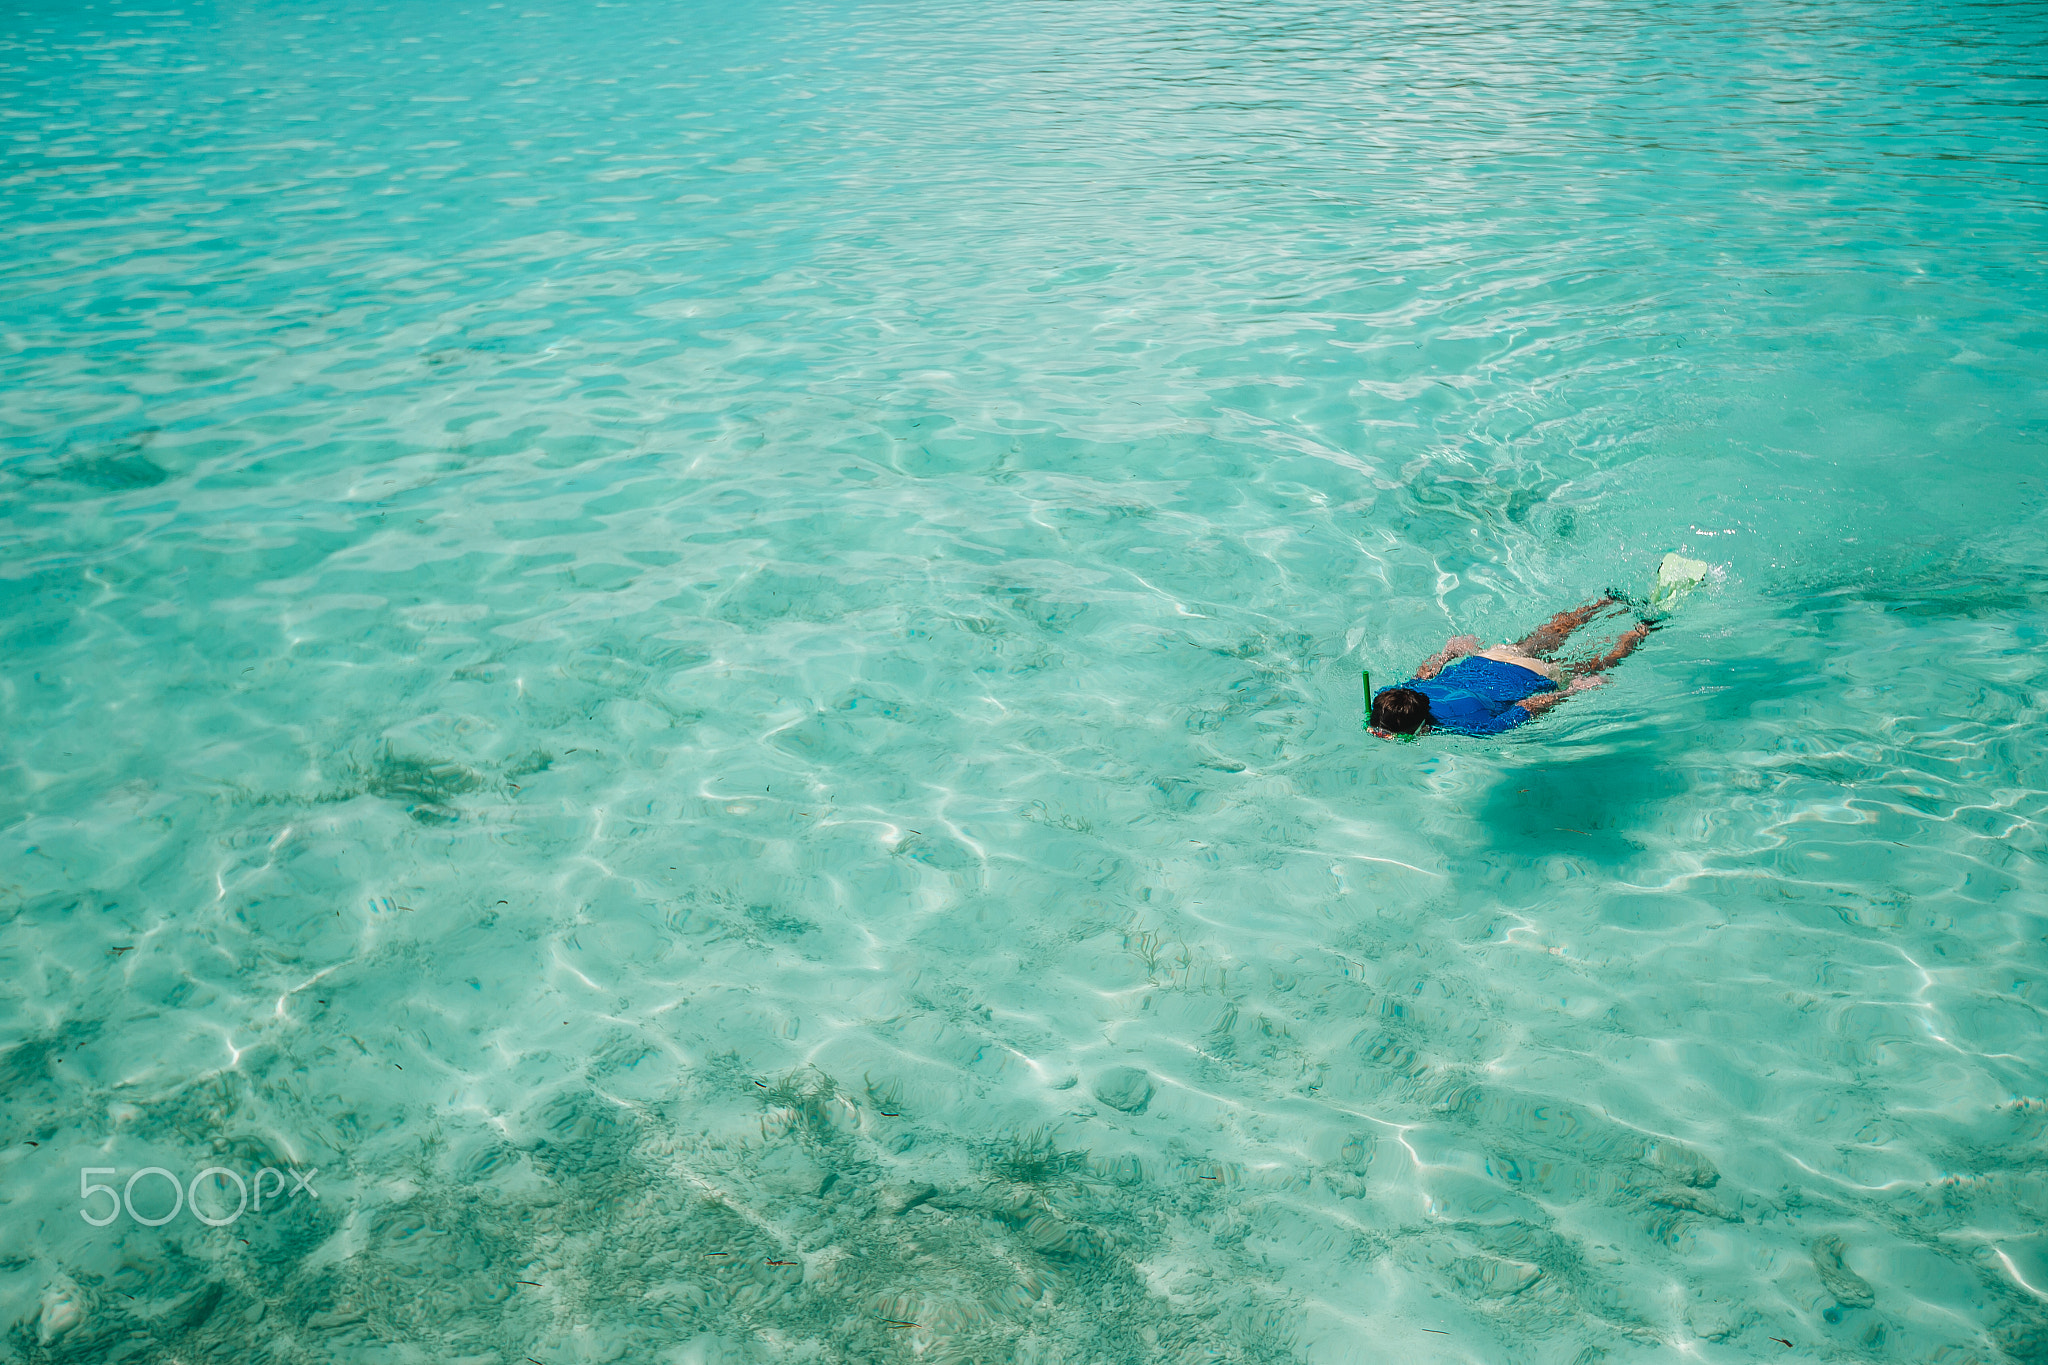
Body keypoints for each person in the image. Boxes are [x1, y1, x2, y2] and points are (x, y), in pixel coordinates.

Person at [1369, 597, 1653, 737]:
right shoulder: (1404, 692)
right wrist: (1447, 653)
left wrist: (1573, 692)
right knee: (1552, 633)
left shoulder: (1469, 727)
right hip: (1490, 657)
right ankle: (1607, 600)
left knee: (1597, 663)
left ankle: (1643, 628)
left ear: (1420, 730)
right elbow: (1426, 672)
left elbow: (1530, 706)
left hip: (1532, 675)